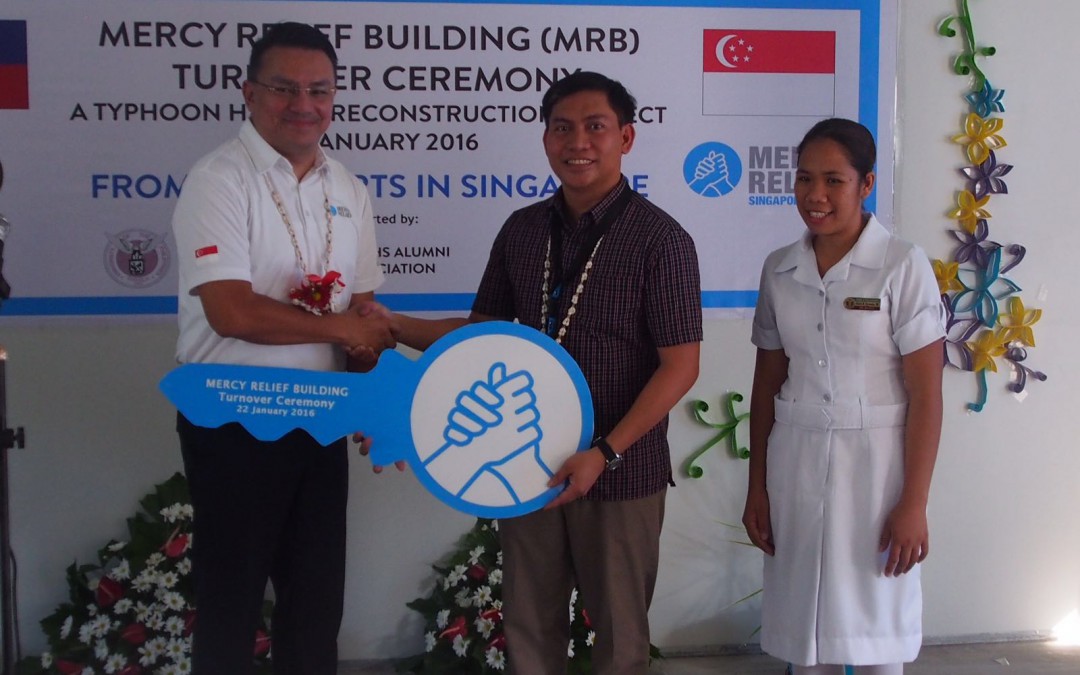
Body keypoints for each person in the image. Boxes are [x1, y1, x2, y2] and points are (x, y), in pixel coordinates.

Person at [387, 71, 702, 673]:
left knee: (620, 639)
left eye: (595, 127)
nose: (577, 142)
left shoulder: (661, 240)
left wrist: (604, 452)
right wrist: (395, 325)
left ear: (626, 137)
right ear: (546, 139)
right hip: (524, 465)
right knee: (529, 628)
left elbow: (680, 366)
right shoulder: (523, 229)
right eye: (562, 128)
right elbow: (480, 335)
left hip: (619, 472)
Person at [170, 22, 394, 675]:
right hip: (233, 420)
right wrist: (345, 331)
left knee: (315, 610)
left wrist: (370, 388)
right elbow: (232, 310)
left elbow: (362, 314)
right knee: (230, 605)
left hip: (318, 420)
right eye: (284, 88)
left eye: (319, 90)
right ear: (249, 93)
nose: (303, 104)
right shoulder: (219, 178)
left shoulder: (347, 188)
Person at [742, 118, 944, 675]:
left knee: (876, 626)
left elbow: (927, 396)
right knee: (804, 634)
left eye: (834, 180)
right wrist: (757, 486)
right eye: (805, 178)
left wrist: (914, 503)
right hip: (796, 459)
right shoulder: (779, 269)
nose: (816, 195)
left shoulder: (902, 265)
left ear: (866, 184)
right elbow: (766, 383)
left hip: (877, 470)